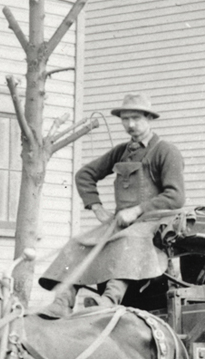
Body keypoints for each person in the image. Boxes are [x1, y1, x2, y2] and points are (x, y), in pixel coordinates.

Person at [39, 93, 185, 317]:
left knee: (127, 241)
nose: (130, 125)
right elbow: (84, 175)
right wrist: (96, 207)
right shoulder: (121, 152)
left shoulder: (166, 152)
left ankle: (108, 300)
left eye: (136, 118)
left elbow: (176, 197)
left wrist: (137, 210)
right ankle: (62, 301)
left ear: (149, 118)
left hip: (154, 224)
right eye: (125, 119)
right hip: (121, 222)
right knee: (78, 243)